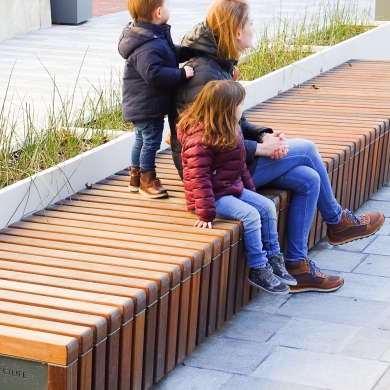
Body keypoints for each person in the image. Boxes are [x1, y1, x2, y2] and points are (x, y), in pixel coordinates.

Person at [170, 0, 385, 293]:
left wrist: (263, 137)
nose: (253, 29)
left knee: (308, 179)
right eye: (250, 24)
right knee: (307, 148)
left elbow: (233, 124)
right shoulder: (206, 74)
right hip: (213, 175)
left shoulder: (218, 65)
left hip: (231, 163)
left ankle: (296, 263)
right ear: (235, 31)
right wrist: (258, 149)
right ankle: (338, 222)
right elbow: (205, 140)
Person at [178, 80, 296, 295]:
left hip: (229, 188)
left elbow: (239, 165)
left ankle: (273, 257)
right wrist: (205, 214)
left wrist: (250, 191)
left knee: (267, 206)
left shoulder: (230, 128)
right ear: (226, 108)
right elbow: (199, 178)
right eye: (240, 105)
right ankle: (258, 268)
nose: (242, 109)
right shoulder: (199, 139)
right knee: (251, 216)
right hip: (210, 197)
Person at [119, 0, 194, 198]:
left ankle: (135, 178)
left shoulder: (150, 37)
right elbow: (153, 73)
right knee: (151, 142)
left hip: (142, 103)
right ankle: (147, 180)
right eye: (167, 4)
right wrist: (181, 74)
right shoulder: (148, 45)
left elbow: (168, 54)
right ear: (159, 11)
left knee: (141, 140)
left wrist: (188, 51)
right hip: (147, 105)